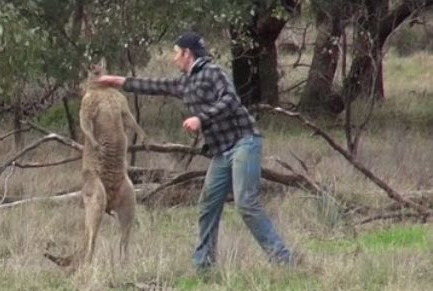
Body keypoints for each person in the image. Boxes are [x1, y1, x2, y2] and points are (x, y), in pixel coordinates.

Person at [96, 31, 294, 271]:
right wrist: (115, 81)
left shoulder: (213, 73)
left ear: (188, 54)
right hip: (221, 151)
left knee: (246, 203)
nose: (174, 58)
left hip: (244, 142)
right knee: (208, 204)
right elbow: (154, 85)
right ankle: (204, 266)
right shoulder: (185, 82)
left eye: (176, 53)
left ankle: (284, 261)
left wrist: (201, 118)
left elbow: (230, 100)